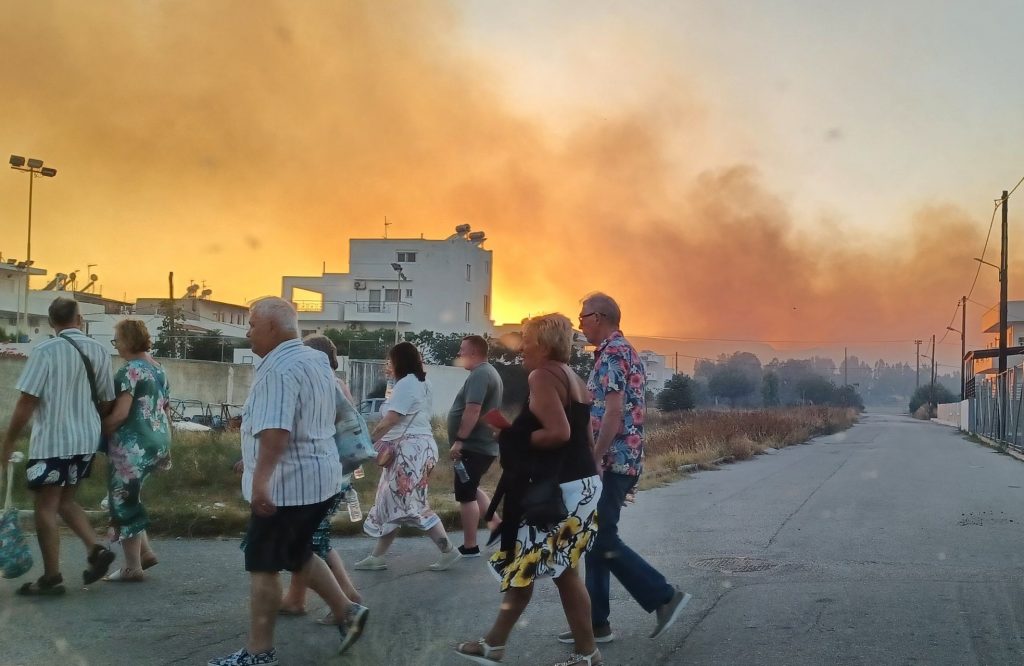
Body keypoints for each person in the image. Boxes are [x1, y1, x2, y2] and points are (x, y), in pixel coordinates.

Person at [209, 298, 368, 666]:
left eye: (251, 324)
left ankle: (258, 652)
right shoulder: (314, 360)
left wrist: (260, 482)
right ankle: (348, 610)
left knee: (263, 564)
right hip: (321, 480)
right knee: (297, 552)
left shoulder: (277, 370)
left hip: (287, 485)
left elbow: (276, 432)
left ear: (272, 327)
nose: (247, 331)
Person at [455, 314, 604, 666]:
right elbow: (585, 437)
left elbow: (559, 433)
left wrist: (511, 435)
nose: (522, 347)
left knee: (545, 567)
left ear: (543, 343)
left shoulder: (542, 375)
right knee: (545, 567)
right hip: (580, 484)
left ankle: (585, 654)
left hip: (557, 489)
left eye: (527, 339)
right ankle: (498, 644)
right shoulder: (575, 378)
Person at [560, 292, 690, 646]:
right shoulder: (613, 353)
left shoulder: (615, 353)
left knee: (601, 539)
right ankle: (595, 624)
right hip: (616, 459)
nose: (580, 322)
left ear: (600, 317)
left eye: (583, 316)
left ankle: (663, 596)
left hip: (613, 460)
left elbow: (614, 413)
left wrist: (595, 458)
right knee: (595, 540)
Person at [1, 297, 117, 595]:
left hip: (53, 441)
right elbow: (106, 399)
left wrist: (8, 441)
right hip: (85, 439)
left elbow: (28, 400)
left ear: (52, 322)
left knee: (46, 506)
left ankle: (52, 577)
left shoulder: (45, 351)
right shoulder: (100, 351)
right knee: (66, 500)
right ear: (79, 319)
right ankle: (95, 550)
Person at [278, 334, 362, 623]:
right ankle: (296, 599)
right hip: (339, 472)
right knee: (313, 539)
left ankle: (348, 597)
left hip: (324, 475)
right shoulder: (339, 384)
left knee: (315, 543)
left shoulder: (321, 384)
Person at [353, 341, 459, 572]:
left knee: (410, 505)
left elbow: (391, 419)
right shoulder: (420, 382)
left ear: (399, 361)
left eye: (390, 361)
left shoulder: (407, 384)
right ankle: (377, 556)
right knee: (395, 502)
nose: (387, 365)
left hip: (410, 451)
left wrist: (365, 443)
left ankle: (448, 550)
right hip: (418, 449)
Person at [101, 319, 172, 582]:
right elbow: (165, 408)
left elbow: (120, 415)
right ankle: (146, 553)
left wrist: (99, 430)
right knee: (131, 496)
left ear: (128, 341)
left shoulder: (130, 371)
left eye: (117, 339)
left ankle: (132, 567)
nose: (116, 345)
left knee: (123, 500)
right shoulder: (158, 369)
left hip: (133, 445)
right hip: (158, 440)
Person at [447, 334, 503, 558]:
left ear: (473, 352)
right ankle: (496, 524)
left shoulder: (481, 374)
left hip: (474, 446)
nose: (459, 354)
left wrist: (460, 440)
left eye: (462, 350)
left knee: (465, 494)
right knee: (470, 485)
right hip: (481, 445)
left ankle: (470, 546)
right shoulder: (487, 372)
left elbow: (473, 410)